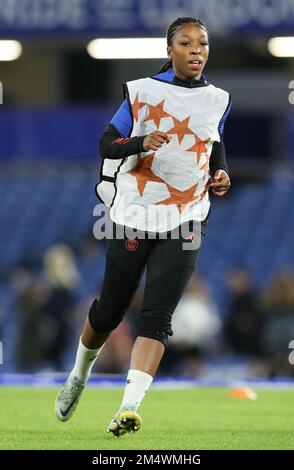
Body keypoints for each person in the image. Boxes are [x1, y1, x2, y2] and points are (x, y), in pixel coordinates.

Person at [55, 16, 231, 437]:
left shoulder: (219, 99)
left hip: (187, 214)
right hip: (134, 213)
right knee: (111, 309)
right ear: (169, 49)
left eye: (202, 43)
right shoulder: (142, 92)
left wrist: (221, 174)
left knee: (157, 316)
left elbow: (214, 144)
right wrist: (140, 142)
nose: (196, 50)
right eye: (186, 43)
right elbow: (106, 144)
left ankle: (128, 408)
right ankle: (79, 373)